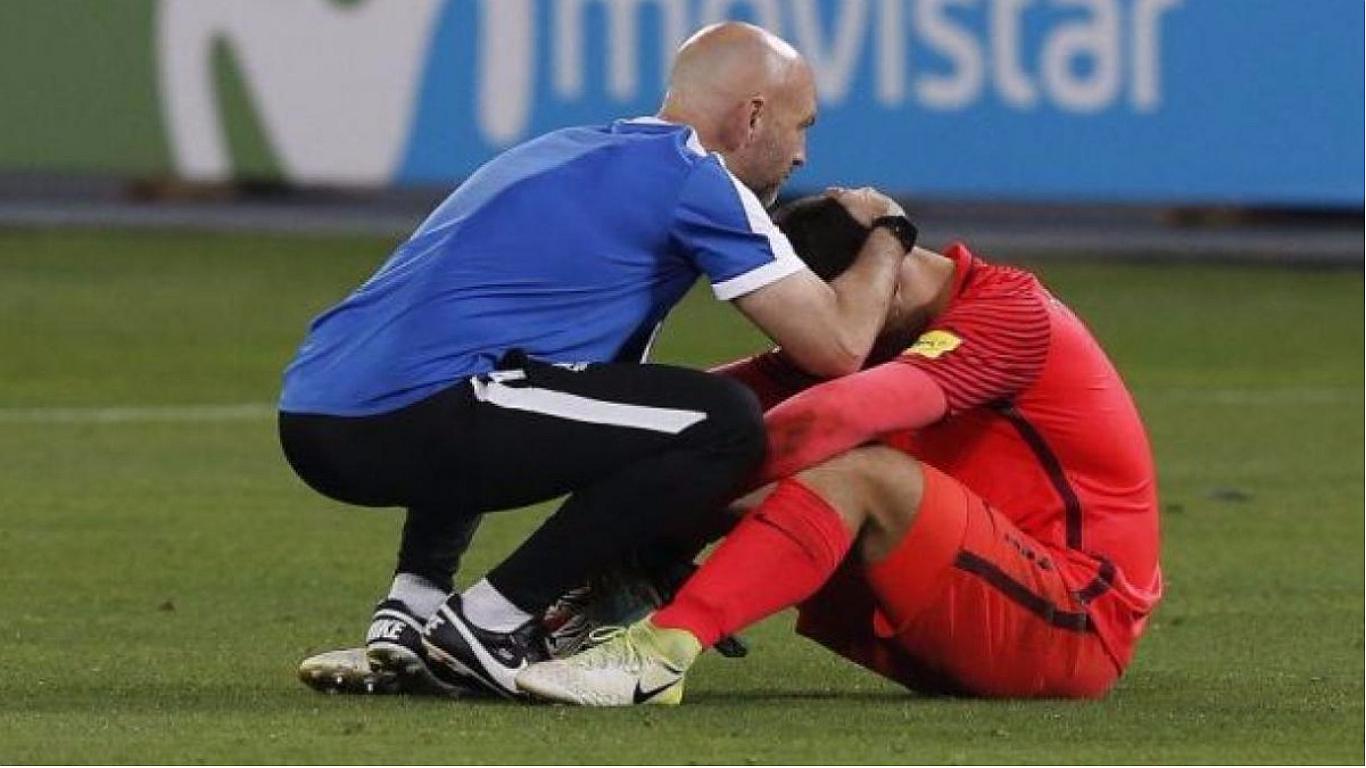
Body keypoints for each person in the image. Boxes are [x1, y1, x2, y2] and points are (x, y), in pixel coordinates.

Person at [280, 23, 920, 699]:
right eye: (801, 126)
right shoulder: (696, 178)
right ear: (752, 116)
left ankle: (411, 609)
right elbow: (838, 346)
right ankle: (487, 622)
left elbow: (540, 379)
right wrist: (890, 233)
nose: (802, 155)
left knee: (507, 379)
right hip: (409, 411)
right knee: (726, 423)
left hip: (315, 410)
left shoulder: (566, 149)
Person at [516, 196, 1164, 705]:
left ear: (891, 284)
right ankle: (565, 610)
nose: (827, 337)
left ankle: (654, 656)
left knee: (851, 472)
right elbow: (694, 413)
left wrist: (667, 505)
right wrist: (528, 411)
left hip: (1072, 623)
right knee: (729, 439)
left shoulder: (1009, 314)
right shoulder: (861, 327)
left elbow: (822, 422)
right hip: (966, 600)